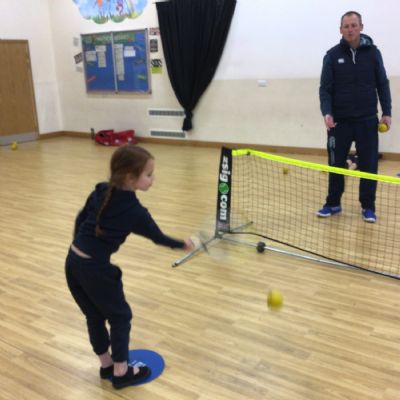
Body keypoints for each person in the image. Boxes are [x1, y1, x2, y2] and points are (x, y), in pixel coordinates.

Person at [65, 145, 194, 390]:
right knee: (120, 317)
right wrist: (182, 244)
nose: (153, 179)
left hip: (72, 262)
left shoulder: (101, 189)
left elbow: (80, 219)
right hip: (94, 269)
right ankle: (122, 372)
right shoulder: (135, 212)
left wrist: (81, 249)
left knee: (94, 315)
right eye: (149, 174)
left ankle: (106, 365)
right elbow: (158, 237)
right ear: (130, 177)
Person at [317, 11, 392, 223]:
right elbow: (325, 89)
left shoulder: (373, 53)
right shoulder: (332, 55)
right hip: (339, 122)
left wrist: (387, 112)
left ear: (361, 27)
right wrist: (327, 112)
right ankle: (333, 203)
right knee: (335, 164)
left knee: (369, 165)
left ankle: (368, 206)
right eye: (346, 26)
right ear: (340, 30)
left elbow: (382, 83)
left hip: (367, 120)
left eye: (353, 25)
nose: (350, 29)